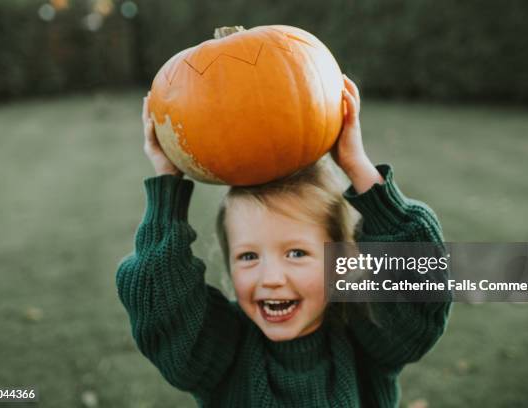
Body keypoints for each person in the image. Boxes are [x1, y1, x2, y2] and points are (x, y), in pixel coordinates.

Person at [116, 75, 451, 407]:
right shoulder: (218, 350)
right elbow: (157, 292)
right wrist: (167, 180)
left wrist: (356, 165)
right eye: (248, 256)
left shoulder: (369, 331)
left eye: (296, 253)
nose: (271, 279)